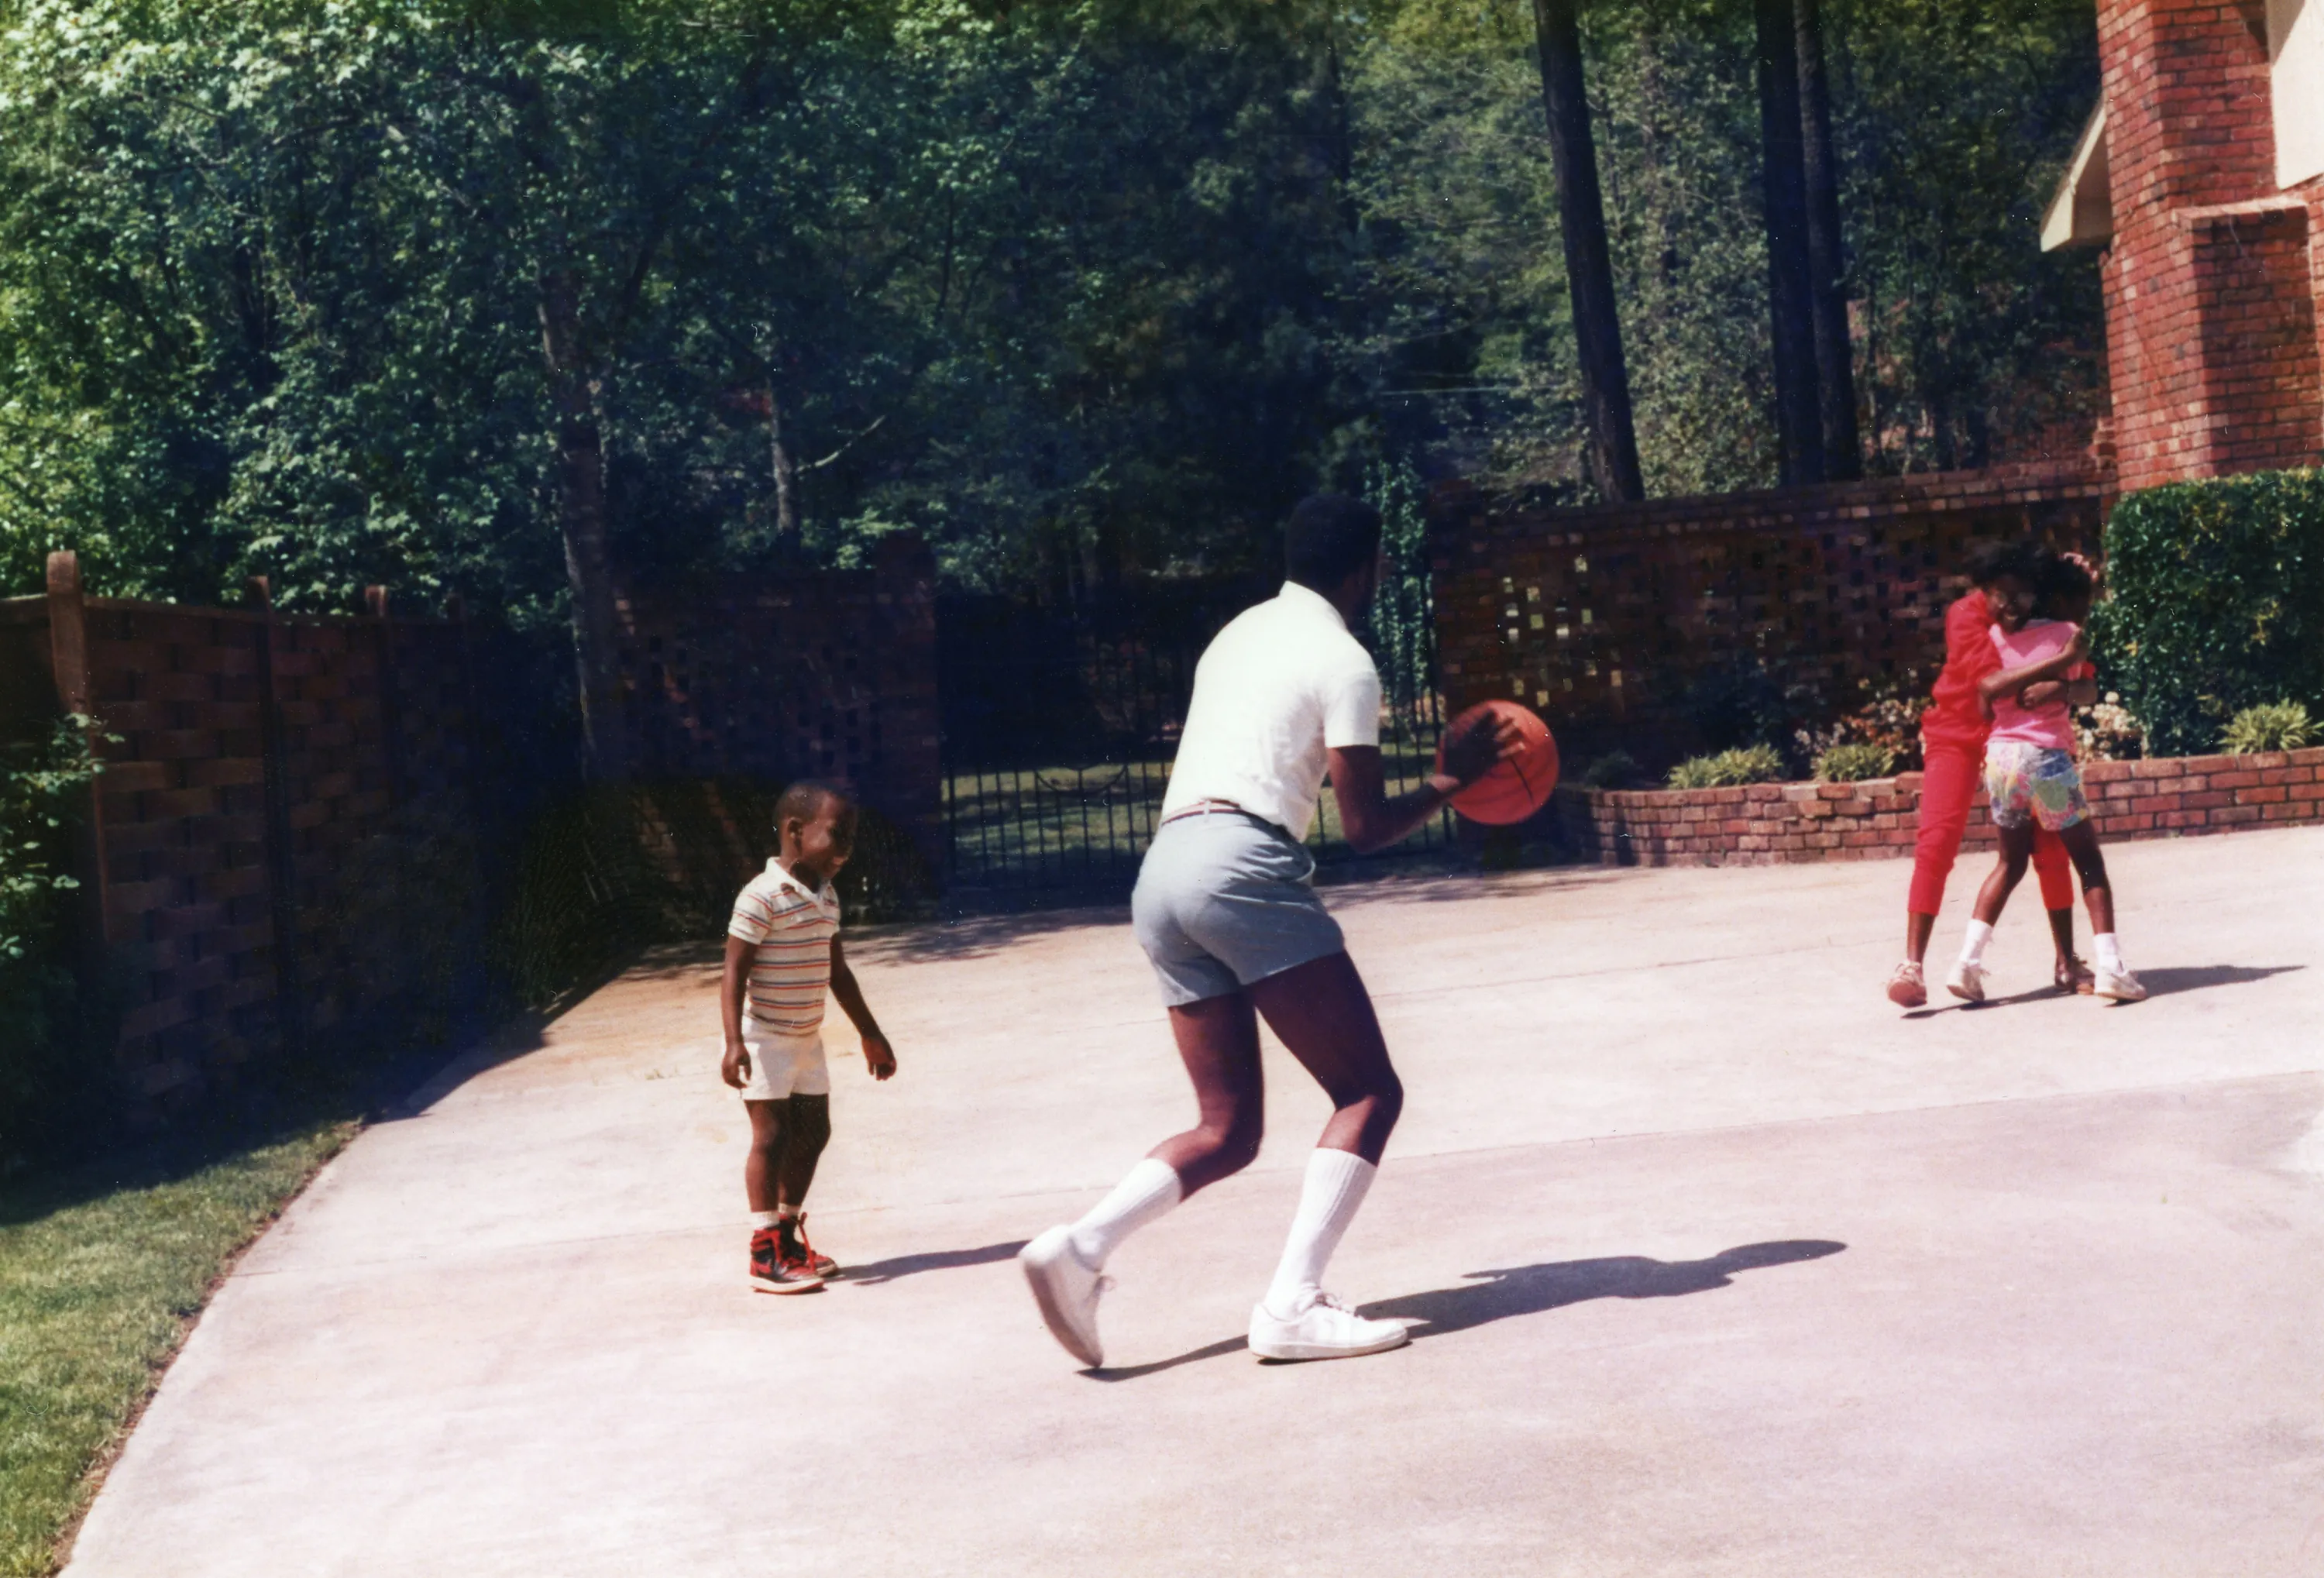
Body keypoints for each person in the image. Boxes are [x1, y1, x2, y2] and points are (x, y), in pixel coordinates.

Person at [1018, 494, 1521, 1368]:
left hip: (1165, 870)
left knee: (1228, 1128)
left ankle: (1081, 1248)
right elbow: (1362, 826)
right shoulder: (1344, 659)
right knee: (1368, 1092)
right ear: (1369, 567)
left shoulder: (1237, 633)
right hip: (1240, 867)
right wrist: (1450, 783)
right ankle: (1292, 1303)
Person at [1886, 541, 2085, 1009]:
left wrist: (2074, 600)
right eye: (1998, 594)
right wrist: (2057, 667)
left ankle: (2065, 960)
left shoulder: (2044, 620)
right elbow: (1993, 682)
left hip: (2020, 739)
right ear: (1984, 589)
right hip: (1958, 733)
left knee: (2050, 847)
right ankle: (1911, 966)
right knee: (1937, 841)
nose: (2008, 606)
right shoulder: (1964, 614)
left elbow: (2084, 678)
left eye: (2021, 594)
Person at [720, 781, 898, 1293]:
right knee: (771, 1138)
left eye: (852, 837)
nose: (847, 849)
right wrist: (734, 1042)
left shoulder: (827, 896)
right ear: (796, 831)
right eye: (838, 835)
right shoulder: (761, 896)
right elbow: (734, 970)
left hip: (806, 1038)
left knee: (814, 1134)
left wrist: (871, 1032)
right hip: (764, 1038)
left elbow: (836, 970)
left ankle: (787, 1236)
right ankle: (762, 1251)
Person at [1947, 553, 2147, 1003]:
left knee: (2009, 863)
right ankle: (2112, 968)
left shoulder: (1994, 638)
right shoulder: (2067, 635)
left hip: (2000, 761)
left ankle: (1966, 963)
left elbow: (1984, 704)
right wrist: (2061, 679)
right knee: (2089, 864)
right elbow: (2083, 688)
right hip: (2046, 759)